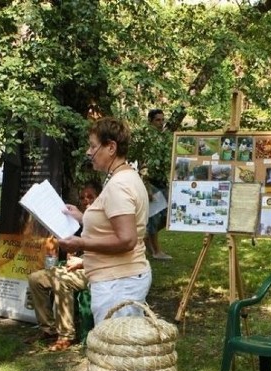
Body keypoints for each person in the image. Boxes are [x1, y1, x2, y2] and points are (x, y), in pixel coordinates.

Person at [59, 117, 151, 325]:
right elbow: (115, 221)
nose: (88, 152)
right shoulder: (125, 176)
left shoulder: (119, 185)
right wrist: (83, 218)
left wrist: (80, 243)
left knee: (116, 351)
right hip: (119, 279)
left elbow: (127, 240)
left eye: (93, 146)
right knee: (118, 350)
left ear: (111, 147)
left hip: (118, 282)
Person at [28, 182, 101, 351]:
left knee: (62, 279)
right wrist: (70, 254)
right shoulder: (76, 221)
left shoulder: (100, 221)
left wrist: (82, 261)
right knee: (35, 278)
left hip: (94, 268)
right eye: (83, 197)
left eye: (91, 197)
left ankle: (66, 335)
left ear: (99, 198)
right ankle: (48, 329)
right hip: (75, 266)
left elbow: (105, 251)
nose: (86, 201)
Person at [142, 108, 172, 261]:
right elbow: (142, 166)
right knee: (154, 216)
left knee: (168, 214)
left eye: (162, 120)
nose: (161, 123)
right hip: (150, 183)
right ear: (150, 121)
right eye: (157, 120)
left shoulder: (164, 139)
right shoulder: (146, 140)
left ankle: (147, 237)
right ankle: (156, 251)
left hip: (162, 182)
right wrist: (146, 187)